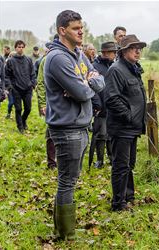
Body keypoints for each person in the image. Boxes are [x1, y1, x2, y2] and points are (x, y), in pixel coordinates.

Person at [44, 10, 104, 241]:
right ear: (62, 31)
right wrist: (85, 85)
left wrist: (88, 82)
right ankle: (66, 233)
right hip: (67, 128)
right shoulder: (58, 58)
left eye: (82, 27)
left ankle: (63, 228)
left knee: (70, 178)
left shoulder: (78, 54)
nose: (81, 31)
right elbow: (81, 92)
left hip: (80, 126)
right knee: (67, 180)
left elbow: (97, 80)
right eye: (75, 28)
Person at [104, 34, 147, 211]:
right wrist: (129, 116)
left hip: (132, 127)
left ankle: (128, 196)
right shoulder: (116, 70)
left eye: (139, 48)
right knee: (120, 166)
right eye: (133, 48)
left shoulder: (133, 68)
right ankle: (118, 203)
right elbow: (112, 98)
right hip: (122, 127)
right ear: (123, 51)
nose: (138, 51)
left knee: (129, 165)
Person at [89, 41, 117, 169]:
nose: (115, 54)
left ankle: (112, 158)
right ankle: (100, 160)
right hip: (100, 107)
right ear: (105, 53)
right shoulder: (94, 66)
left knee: (112, 134)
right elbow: (90, 87)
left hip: (114, 107)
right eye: (113, 52)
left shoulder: (116, 66)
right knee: (100, 135)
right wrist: (97, 104)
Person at [5, 40, 36, 133]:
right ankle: (20, 127)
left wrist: (33, 83)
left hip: (27, 88)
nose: (21, 49)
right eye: (19, 47)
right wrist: (10, 86)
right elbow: (7, 75)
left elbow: (33, 73)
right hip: (16, 89)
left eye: (22, 47)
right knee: (18, 109)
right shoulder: (10, 61)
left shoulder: (28, 60)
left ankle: (23, 120)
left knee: (28, 108)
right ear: (15, 48)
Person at [36, 41, 56, 169]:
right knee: (51, 131)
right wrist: (42, 103)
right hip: (50, 102)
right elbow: (41, 83)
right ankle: (51, 162)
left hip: (65, 104)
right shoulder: (46, 60)